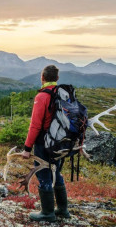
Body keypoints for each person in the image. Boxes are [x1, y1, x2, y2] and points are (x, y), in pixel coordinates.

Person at [22, 65, 70, 222]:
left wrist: (27, 148)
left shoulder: (42, 97)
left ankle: (47, 213)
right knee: (56, 172)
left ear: (42, 77)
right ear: (57, 78)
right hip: (61, 142)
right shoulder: (64, 94)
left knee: (43, 174)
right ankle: (63, 210)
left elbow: (35, 125)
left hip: (44, 142)